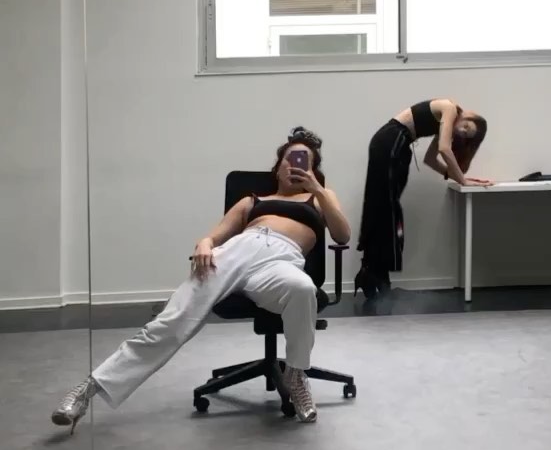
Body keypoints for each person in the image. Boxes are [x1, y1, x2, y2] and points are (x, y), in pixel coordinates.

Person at [51, 128, 350, 430]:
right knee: (171, 323)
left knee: (302, 288)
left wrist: (318, 189)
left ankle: (295, 374)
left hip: (282, 261)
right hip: (237, 252)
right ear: (279, 166)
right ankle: (88, 389)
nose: (296, 166)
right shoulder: (252, 200)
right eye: (290, 158)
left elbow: (342, 235)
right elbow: (213, 236)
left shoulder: (320, 199)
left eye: (305, 161)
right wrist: (204, 244)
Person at [355, 100, 490, 299]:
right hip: (391, 142)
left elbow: (430, 159)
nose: (462, 131)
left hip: (395, 145)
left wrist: (460, 178)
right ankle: (373, 273)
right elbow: (444, 149)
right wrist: (463, 180)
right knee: (385, 209)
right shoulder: (450, 108)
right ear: (467, 116)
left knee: (384, 208)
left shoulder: (443, 123)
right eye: (467, 127)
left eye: (466, 135)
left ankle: (372, 272)